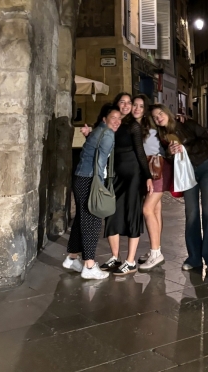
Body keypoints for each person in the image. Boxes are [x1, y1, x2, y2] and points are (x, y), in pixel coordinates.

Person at [151, 104, 208, 272]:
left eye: (160, 113)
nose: (159, 117)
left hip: (204, 168)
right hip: (186, 173)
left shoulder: (187, 124)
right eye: (155, 117)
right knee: (191, 214)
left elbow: (206, 140)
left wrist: (185, 148)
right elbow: (167, 158)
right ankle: (194, 258)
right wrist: (170, 152)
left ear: (167, 112)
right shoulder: (161, 135)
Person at [63, 103, 122, 280]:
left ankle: (72, 258)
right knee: (92, 222)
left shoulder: (98, 131)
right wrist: (100, 184)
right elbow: (100, 162)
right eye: (114, 118)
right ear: (105, 118)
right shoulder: (108, 134)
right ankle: (89, 265)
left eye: (120, 119)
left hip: (80, 177)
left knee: (81, 220)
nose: (117, 121)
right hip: (90, 179)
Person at [102, 92, 153, 276]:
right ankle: (115, 258)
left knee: (132, 214)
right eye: (122, 102)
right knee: (111, 214)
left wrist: (147, 176)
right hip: (114, 176)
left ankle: (130, 261)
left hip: (133, 175)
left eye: (128, 103)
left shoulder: (133, 126)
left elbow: (140, 153)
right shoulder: (111, 123)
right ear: (116, 104)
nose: (125, 105)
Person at [132, 94, 171, 271]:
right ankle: (156, 249)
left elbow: (168, 127)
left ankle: (156, 253)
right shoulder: (135, 125)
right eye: (135, 105)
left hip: (157, 168)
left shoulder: (151, 125)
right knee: (155, 209)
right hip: (149, 169)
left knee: (147, 209)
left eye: (141, 106)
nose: (137, 108)